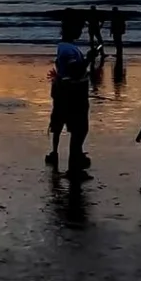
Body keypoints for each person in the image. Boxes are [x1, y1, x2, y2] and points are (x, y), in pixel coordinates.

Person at [47, 21, 91, 178]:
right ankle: (74, 167)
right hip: (75, 92)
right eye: (79, 28)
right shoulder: (67, 50)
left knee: (78, 129)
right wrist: (88, 60)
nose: (81, 31)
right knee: (79, 129)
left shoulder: (66, 47)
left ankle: (76, 161)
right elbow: (75, 72)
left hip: (74, 91)